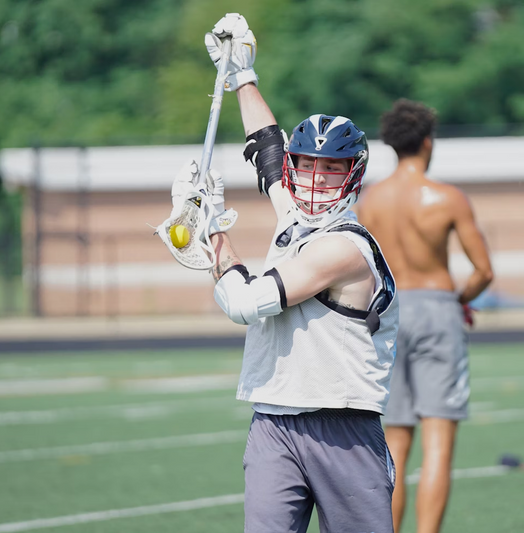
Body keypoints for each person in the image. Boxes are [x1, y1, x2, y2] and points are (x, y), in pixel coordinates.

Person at [170, 13, 399, 533]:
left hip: (342, 424)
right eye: (308, 165)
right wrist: (242, 75)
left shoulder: (346, 247)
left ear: (354, 175)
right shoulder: (294, 215)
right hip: (273, 420)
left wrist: (213, 233)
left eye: (332, 168)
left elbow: (244, 303)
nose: (316, 179)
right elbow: (266, 148)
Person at [356, 98, 494, 533]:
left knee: (393, 444)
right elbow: (483, 271)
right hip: (437, 308)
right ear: (428, 143)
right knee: (438, 444)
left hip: (389, 313)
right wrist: (461, 300)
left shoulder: (370, 200)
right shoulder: (448, 198)